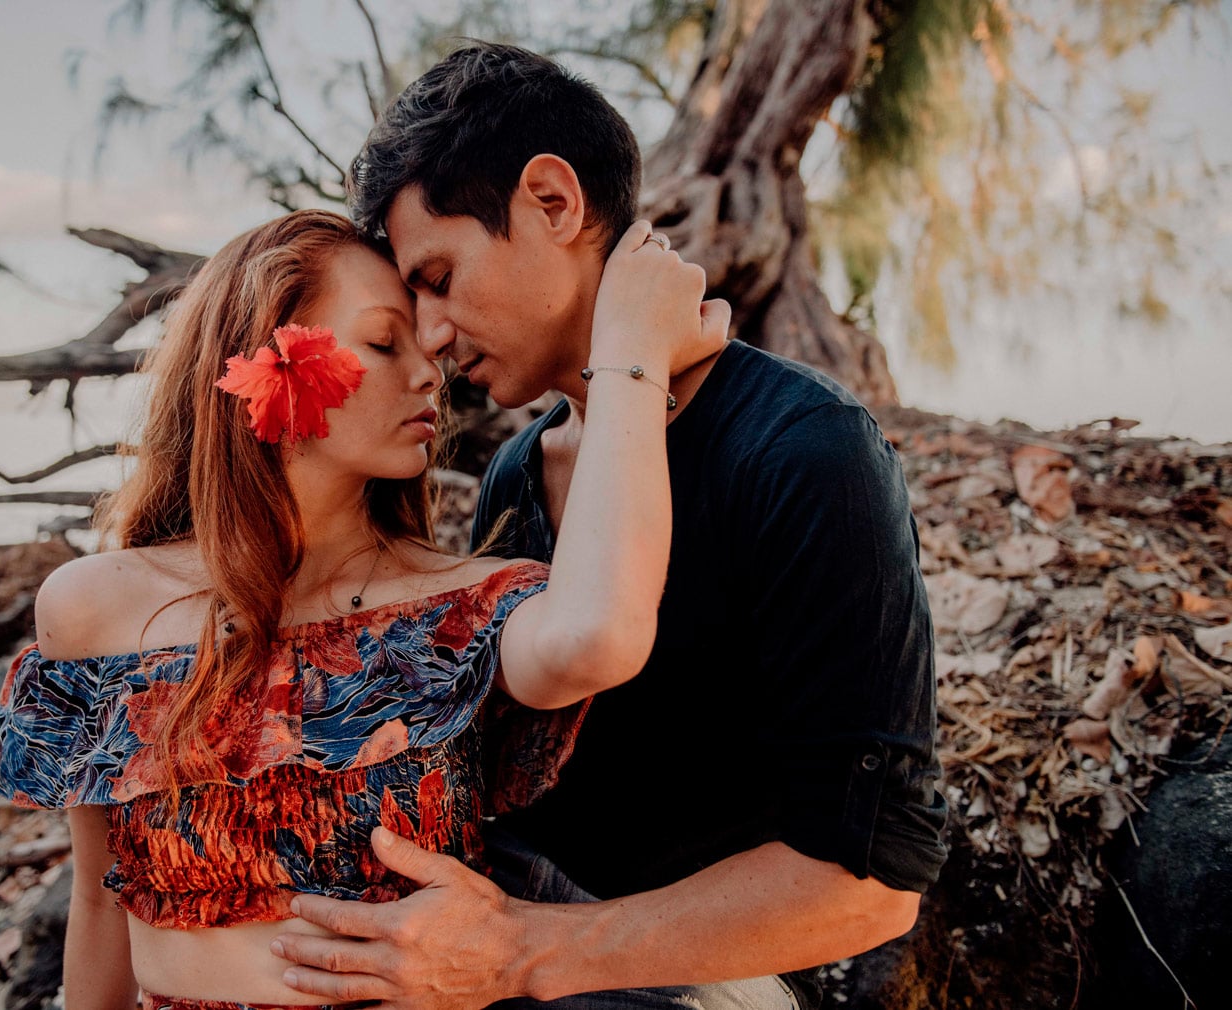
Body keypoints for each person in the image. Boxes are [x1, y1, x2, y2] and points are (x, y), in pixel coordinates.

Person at [269, 43, 949, 1010]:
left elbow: (871, 886)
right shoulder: (514, 472)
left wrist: (523, 953)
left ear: (553, 201)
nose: (427, 333)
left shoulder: (804, 451)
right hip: (509, 926)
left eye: (438, 275)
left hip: (689, 977)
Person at [0, 208, 725, 1010]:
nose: (430, 374)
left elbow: (598, 641)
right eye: (382, 342)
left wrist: (629, 358)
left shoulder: (459, 606)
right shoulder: (92, 607)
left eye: (427, 347)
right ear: (266, 355)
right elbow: (100, 901)